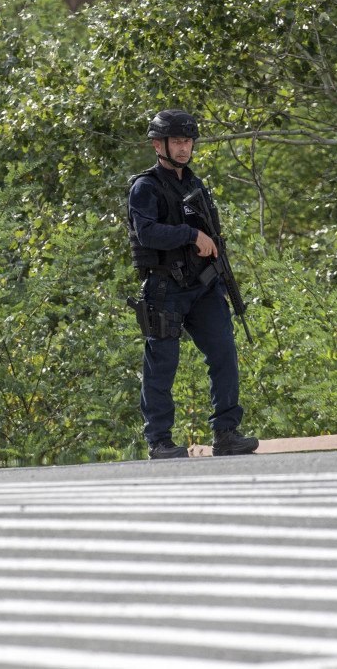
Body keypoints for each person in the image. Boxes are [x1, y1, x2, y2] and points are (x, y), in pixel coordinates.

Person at [126, 110, 259, 459]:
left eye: (188, 141)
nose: (184, 148)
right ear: (159, 144)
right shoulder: (145, 187)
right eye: (177, 142)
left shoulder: (195, 184)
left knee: (223, 353)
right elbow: (147, 232)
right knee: (162, 363)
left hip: (203, 286)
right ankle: (159, 440)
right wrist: (190, 234)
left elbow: (213, 235)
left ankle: (226, 433)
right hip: (165, 289)